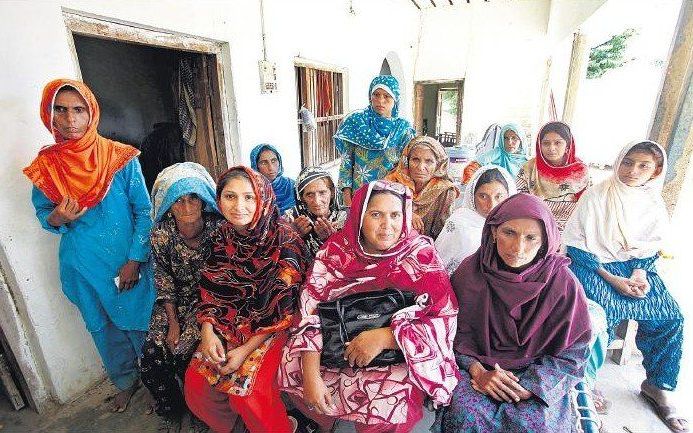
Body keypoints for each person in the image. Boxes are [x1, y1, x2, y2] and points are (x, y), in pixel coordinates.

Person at [279, 180, 460, 433]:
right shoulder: (334, 252)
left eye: (395, 215)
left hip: (398, 354)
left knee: (385, 410)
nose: (388, 226)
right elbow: (310, 312)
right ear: (358, 217)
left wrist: (385, 337)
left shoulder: (420, 256)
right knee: (296, 372)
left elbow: (443, 316)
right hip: (336, 348)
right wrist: (312, 377)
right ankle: (321, 421)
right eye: (376, 215)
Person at [24, 79, 155, 412]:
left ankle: (158, 382)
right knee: (102, 328)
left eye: (78, 110)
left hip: (127, 263)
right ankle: (125, 381)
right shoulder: (47, 167)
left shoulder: (120, 159)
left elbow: (143, 211)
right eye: (61, 110)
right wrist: (56, 218)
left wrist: (135, 259)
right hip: (82, 266)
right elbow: (45, 216)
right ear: (49, 115)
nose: (70, 120)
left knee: (142, 323)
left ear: (91, 112)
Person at [436, 193, 592, 433]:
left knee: (538, 424)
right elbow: (448, 336)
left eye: (531, 238)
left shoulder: (562, 284)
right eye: (509, 233)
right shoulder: (470, 273)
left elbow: (575, 351)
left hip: (539, 370)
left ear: (546, 241)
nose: (518, 248)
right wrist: (478, 372)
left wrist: (532, 386)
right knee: (467, 415)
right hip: (475, 368)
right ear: (493, 231)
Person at [564, 141, 687, 432]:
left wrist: (640, 274)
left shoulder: (653, 202)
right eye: (628, 162)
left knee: (670, 316)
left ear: (656, 170)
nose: (633, 170)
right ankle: (585, 383)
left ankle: (657, 385)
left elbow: (652, 247)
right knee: (597, 316)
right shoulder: (597, 196)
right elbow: (575, 245)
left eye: (643, 165)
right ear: (618, 161)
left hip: (637, 269)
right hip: (594, 265)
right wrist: (613, 278)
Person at [184, 166, 308, 433]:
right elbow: (212, 288)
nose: (239, 206)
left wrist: (244, 351)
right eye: (230, 197)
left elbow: (284, 310)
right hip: (229, 323)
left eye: (249, 197)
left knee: (248, 392)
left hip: (276, 327)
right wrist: (208, 332)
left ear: (262, 198)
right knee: (196, 386)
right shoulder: (222, 237)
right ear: (218, 199)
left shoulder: (285, 240)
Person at [140, 162, 221, 433]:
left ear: (204, 200)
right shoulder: (161, 234)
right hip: (172, 302)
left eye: (192, 198)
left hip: (210, 301)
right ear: (167, 206)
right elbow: (163, 279)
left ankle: (199, 409)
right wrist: (173, 323)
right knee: (152, 353)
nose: (187, 207)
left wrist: (199, 320)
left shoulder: (219, 229)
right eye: (178, 201)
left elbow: (224, 278)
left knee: (188, 354)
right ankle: (172, 410)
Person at [334, 75, 415, 206]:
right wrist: (347, 199)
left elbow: (406, 167)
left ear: (395, 98)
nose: (380, 100)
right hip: (359, 196)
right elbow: (346, 163)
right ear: (370, 96)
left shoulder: (403, 129)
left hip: (391, 196)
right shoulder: (356, 122)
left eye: (387, 96)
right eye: (376, 94)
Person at [435, 164, 517, 274]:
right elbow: (439, 265)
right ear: (472, 196)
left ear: (509, 196)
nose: (491, 204)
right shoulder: (459, 223)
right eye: (483, 196)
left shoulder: (516, 225)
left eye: (499, 196)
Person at [516, 121, 590, 232]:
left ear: (567, 146)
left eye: (558, 143)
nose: (551, 148)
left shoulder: (580, 171)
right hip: (536, 224)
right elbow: (520, 201)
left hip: (571, 227)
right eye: (546, 143)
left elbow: (587, 204)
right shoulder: (529, 169)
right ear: (539, 146)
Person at [385, 136, 459, 238]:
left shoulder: (445, 191)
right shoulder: (391, 183)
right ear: (407, 161)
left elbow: (444, 232)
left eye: (429, 161)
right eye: (415, 159)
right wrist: (406, 214)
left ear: (438, 165)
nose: (420, 167)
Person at [284, 166, 348, 258]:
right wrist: (292, 237)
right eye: (309, 195)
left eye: (322, 193)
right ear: (301, 198)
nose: (317, 201)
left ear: (332, 192)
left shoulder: (348, 217)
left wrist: (332, 240)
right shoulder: (292, 218)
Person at [462, 123, 528, 183]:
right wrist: (473, 188)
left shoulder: (527, 161)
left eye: (514, 138)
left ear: (521, 140)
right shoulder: (497, 153)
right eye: (505, 138)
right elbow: (470, 168)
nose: (509, 142)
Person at [249, 143, 296, 213]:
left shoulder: (291, 185)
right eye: (264, 163)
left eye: (274, 161)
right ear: (256, 166)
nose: (271, 167)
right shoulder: (251, 189)